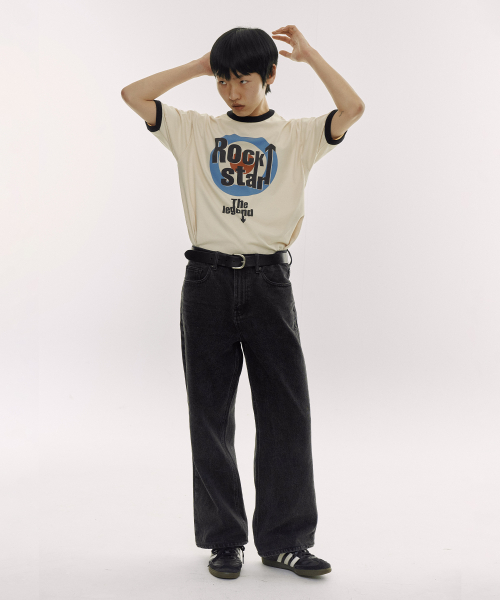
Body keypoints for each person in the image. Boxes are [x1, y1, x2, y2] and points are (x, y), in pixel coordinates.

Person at [121, 24, 364, 580]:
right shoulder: (194, 130)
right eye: (223, 80)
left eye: (244, 80)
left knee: (285, 412)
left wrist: (311, 55)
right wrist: (200, 64)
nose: (232, 91)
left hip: (268, 282)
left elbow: (352, 108)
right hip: (205, 281)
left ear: (270, 76)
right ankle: (224, 540)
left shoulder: (297, 136)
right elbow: (133, 95)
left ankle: (285, 540)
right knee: (210, 414)